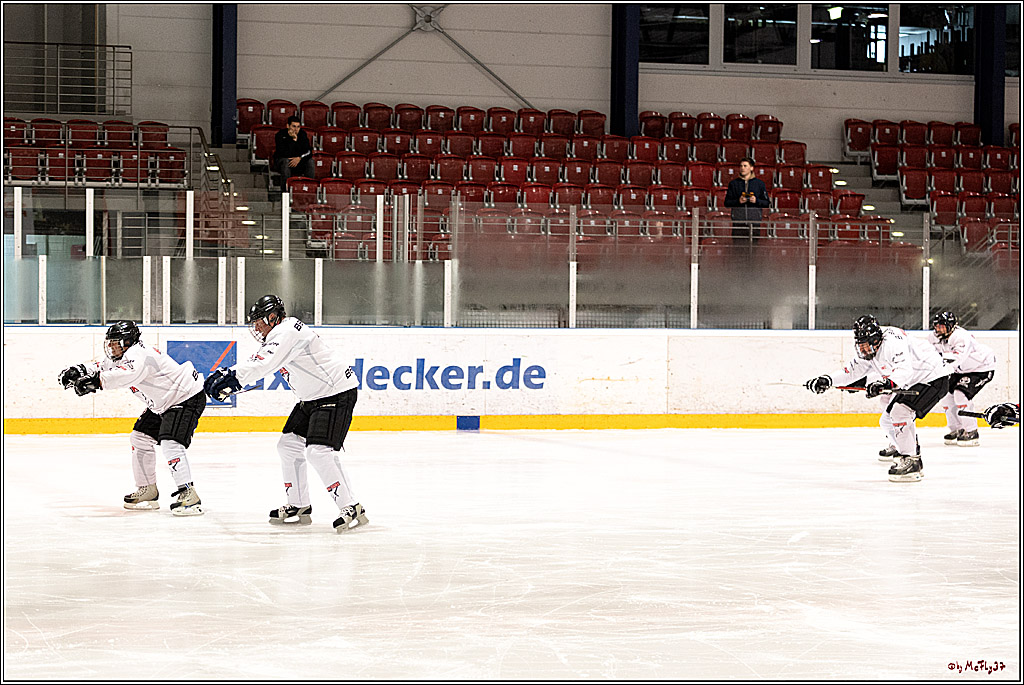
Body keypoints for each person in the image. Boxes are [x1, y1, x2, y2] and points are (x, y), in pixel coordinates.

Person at [203, 295, 367, 533]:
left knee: (318, 452)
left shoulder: (287, 331)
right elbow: (259, 361)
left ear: (272, 316)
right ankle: (299, 504)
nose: (256, 327)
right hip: (312, 398)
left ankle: (351, 506)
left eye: (259, 321)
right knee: (288, 445)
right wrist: (231, 377)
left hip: (335, 394)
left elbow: (263, 365)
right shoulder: (281, 334)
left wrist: (231, 378)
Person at [58, 321, 205, 515]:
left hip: (185, 396)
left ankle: (189, 495)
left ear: (128, 341)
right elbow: (102, 365)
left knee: (170, 443)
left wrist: (95, 382)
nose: (111, 347)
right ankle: (148, 490)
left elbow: (123, 376)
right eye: (109, 343)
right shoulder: (123, 355)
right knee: (140, 438)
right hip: (163, 402)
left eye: (115, 343)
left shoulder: (138, 356)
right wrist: (79, 370)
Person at [804, 315, 949, 482]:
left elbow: (904, 371)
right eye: (860, 346)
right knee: (887, 420)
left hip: (935, 377)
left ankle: (911, 460)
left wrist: (885, 383)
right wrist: (828, 380)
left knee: (900, 412)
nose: (863, 351)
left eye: (865, 346)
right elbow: (851, 371)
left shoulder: (893, 342)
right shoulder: (870, 351)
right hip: (917, 380)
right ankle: (909, 452)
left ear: (875, 340)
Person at [927, 311, 997, 447]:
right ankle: (957, 429)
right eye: (936, 326)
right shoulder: (932, 337)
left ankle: (971, 431)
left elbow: (957, 359)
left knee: (960, 395)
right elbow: (929, 355)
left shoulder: (960, 336)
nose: (938, 329)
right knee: (946, 394)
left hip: (981, 368)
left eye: (942, 326)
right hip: (959, 369)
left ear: (951, 326)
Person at [722, 157, 770, 240]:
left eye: (745, 166)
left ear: (751, 168)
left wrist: (756, 201)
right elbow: (727, 203)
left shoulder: (759, 184)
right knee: (738, 248)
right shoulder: (733, 184)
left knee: (754, 248)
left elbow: (767, 203)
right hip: (738, 222)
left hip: (754, 222)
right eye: (741, 166)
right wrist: (738, 201)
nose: (742, 168)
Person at [273, 115, 315, 192]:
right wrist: (293, 140)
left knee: (310, 161)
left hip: (298, 161)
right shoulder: (280, 135)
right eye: (294, 126)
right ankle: (286, 192)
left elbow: (308, 152)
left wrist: (299, 158)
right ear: (288, 126)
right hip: (283, 161)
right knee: (286, 162)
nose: (296, 129)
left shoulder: (302, 134)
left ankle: (310, 189)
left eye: (298, 127)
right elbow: (283, 152)